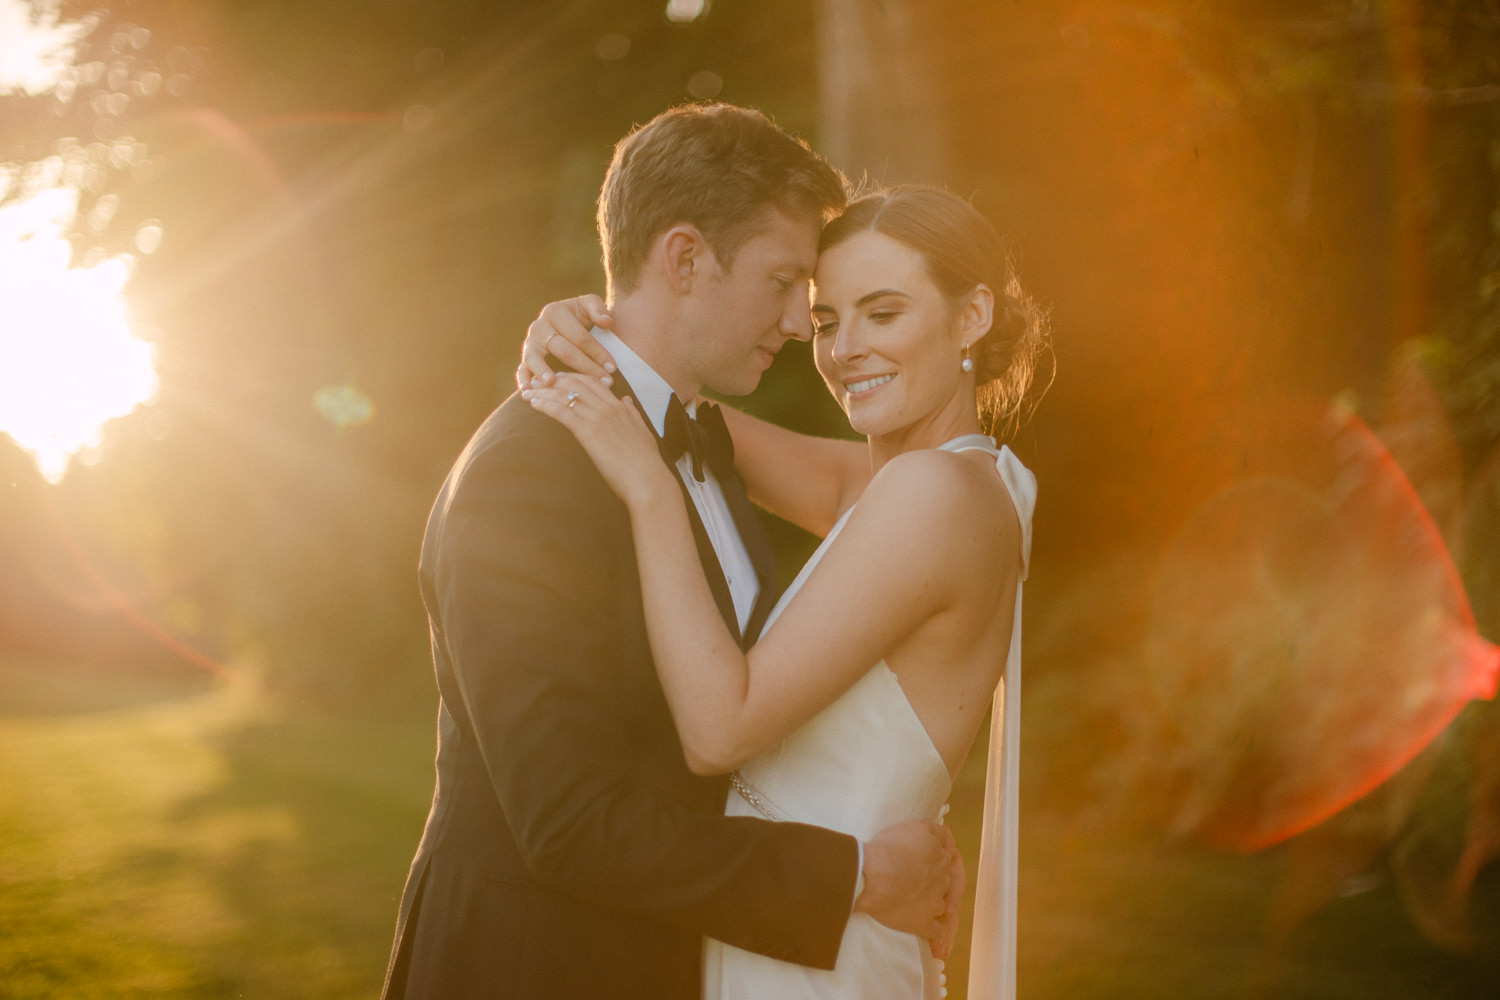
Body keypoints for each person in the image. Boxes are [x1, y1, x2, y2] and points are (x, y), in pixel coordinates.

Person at [381, 105, 962, 1000]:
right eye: (782, 282)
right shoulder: (524, 477)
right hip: (531, 967)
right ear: (685, 258)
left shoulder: (698, 436)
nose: (802, 325)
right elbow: (571, 822)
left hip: (673, 959)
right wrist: (857, 877)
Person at [519, 183, 1048, 999]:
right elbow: (679, 415)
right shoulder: (941, 484)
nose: (842, 351)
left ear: (971, 316)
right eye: (828, 321)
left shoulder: (932, 498)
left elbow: (719, 729)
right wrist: (591, 336)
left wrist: (652, 496)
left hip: (821, 957)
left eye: (883, 312)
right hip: (813, 926)